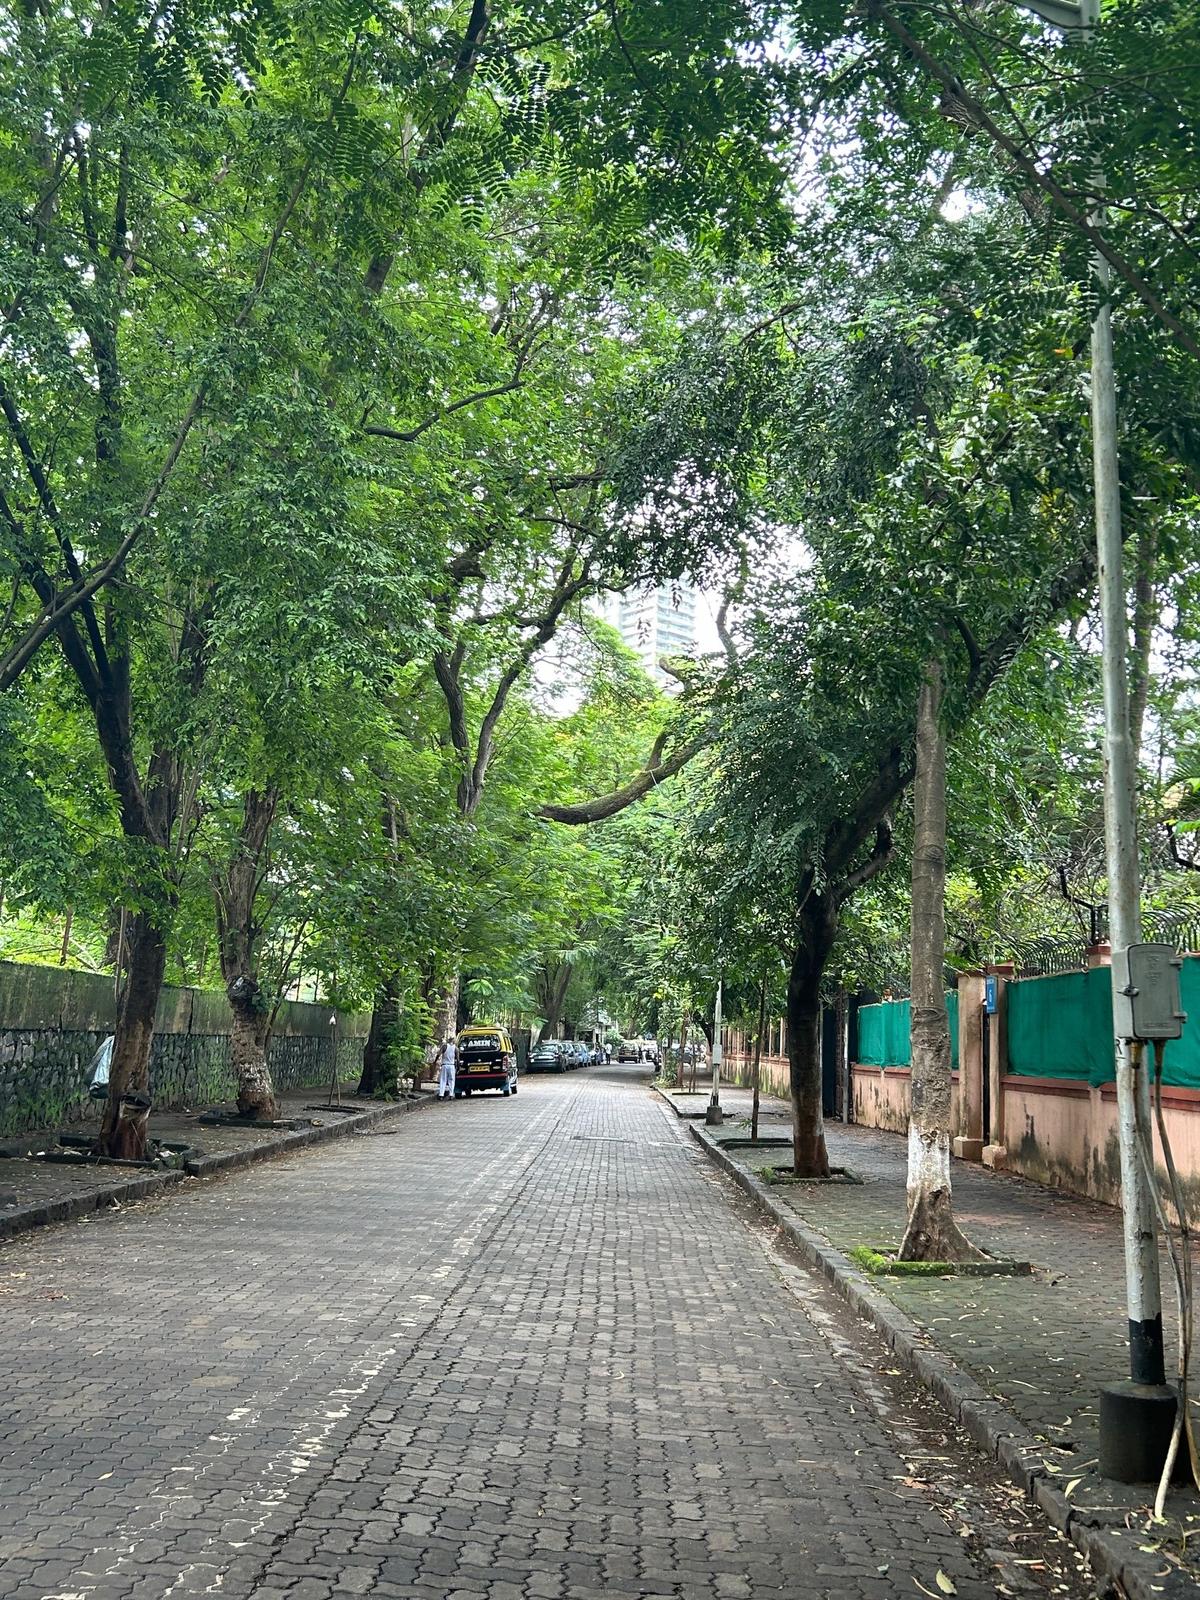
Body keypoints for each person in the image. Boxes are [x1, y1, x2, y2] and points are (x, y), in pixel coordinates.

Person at [437, 1034, 457, 1100]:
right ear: (454, 1041)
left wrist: (435, 1061)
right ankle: (451, 1095)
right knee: (451, 1080)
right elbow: (458, 1058)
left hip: (444, 1065)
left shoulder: (444, 1046)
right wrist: (458, 1067)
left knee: (443, 1080)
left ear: (448, 1040)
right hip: (451, 1066)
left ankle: (441, 1095)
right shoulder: (456, 1048)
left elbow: (438, 1054)